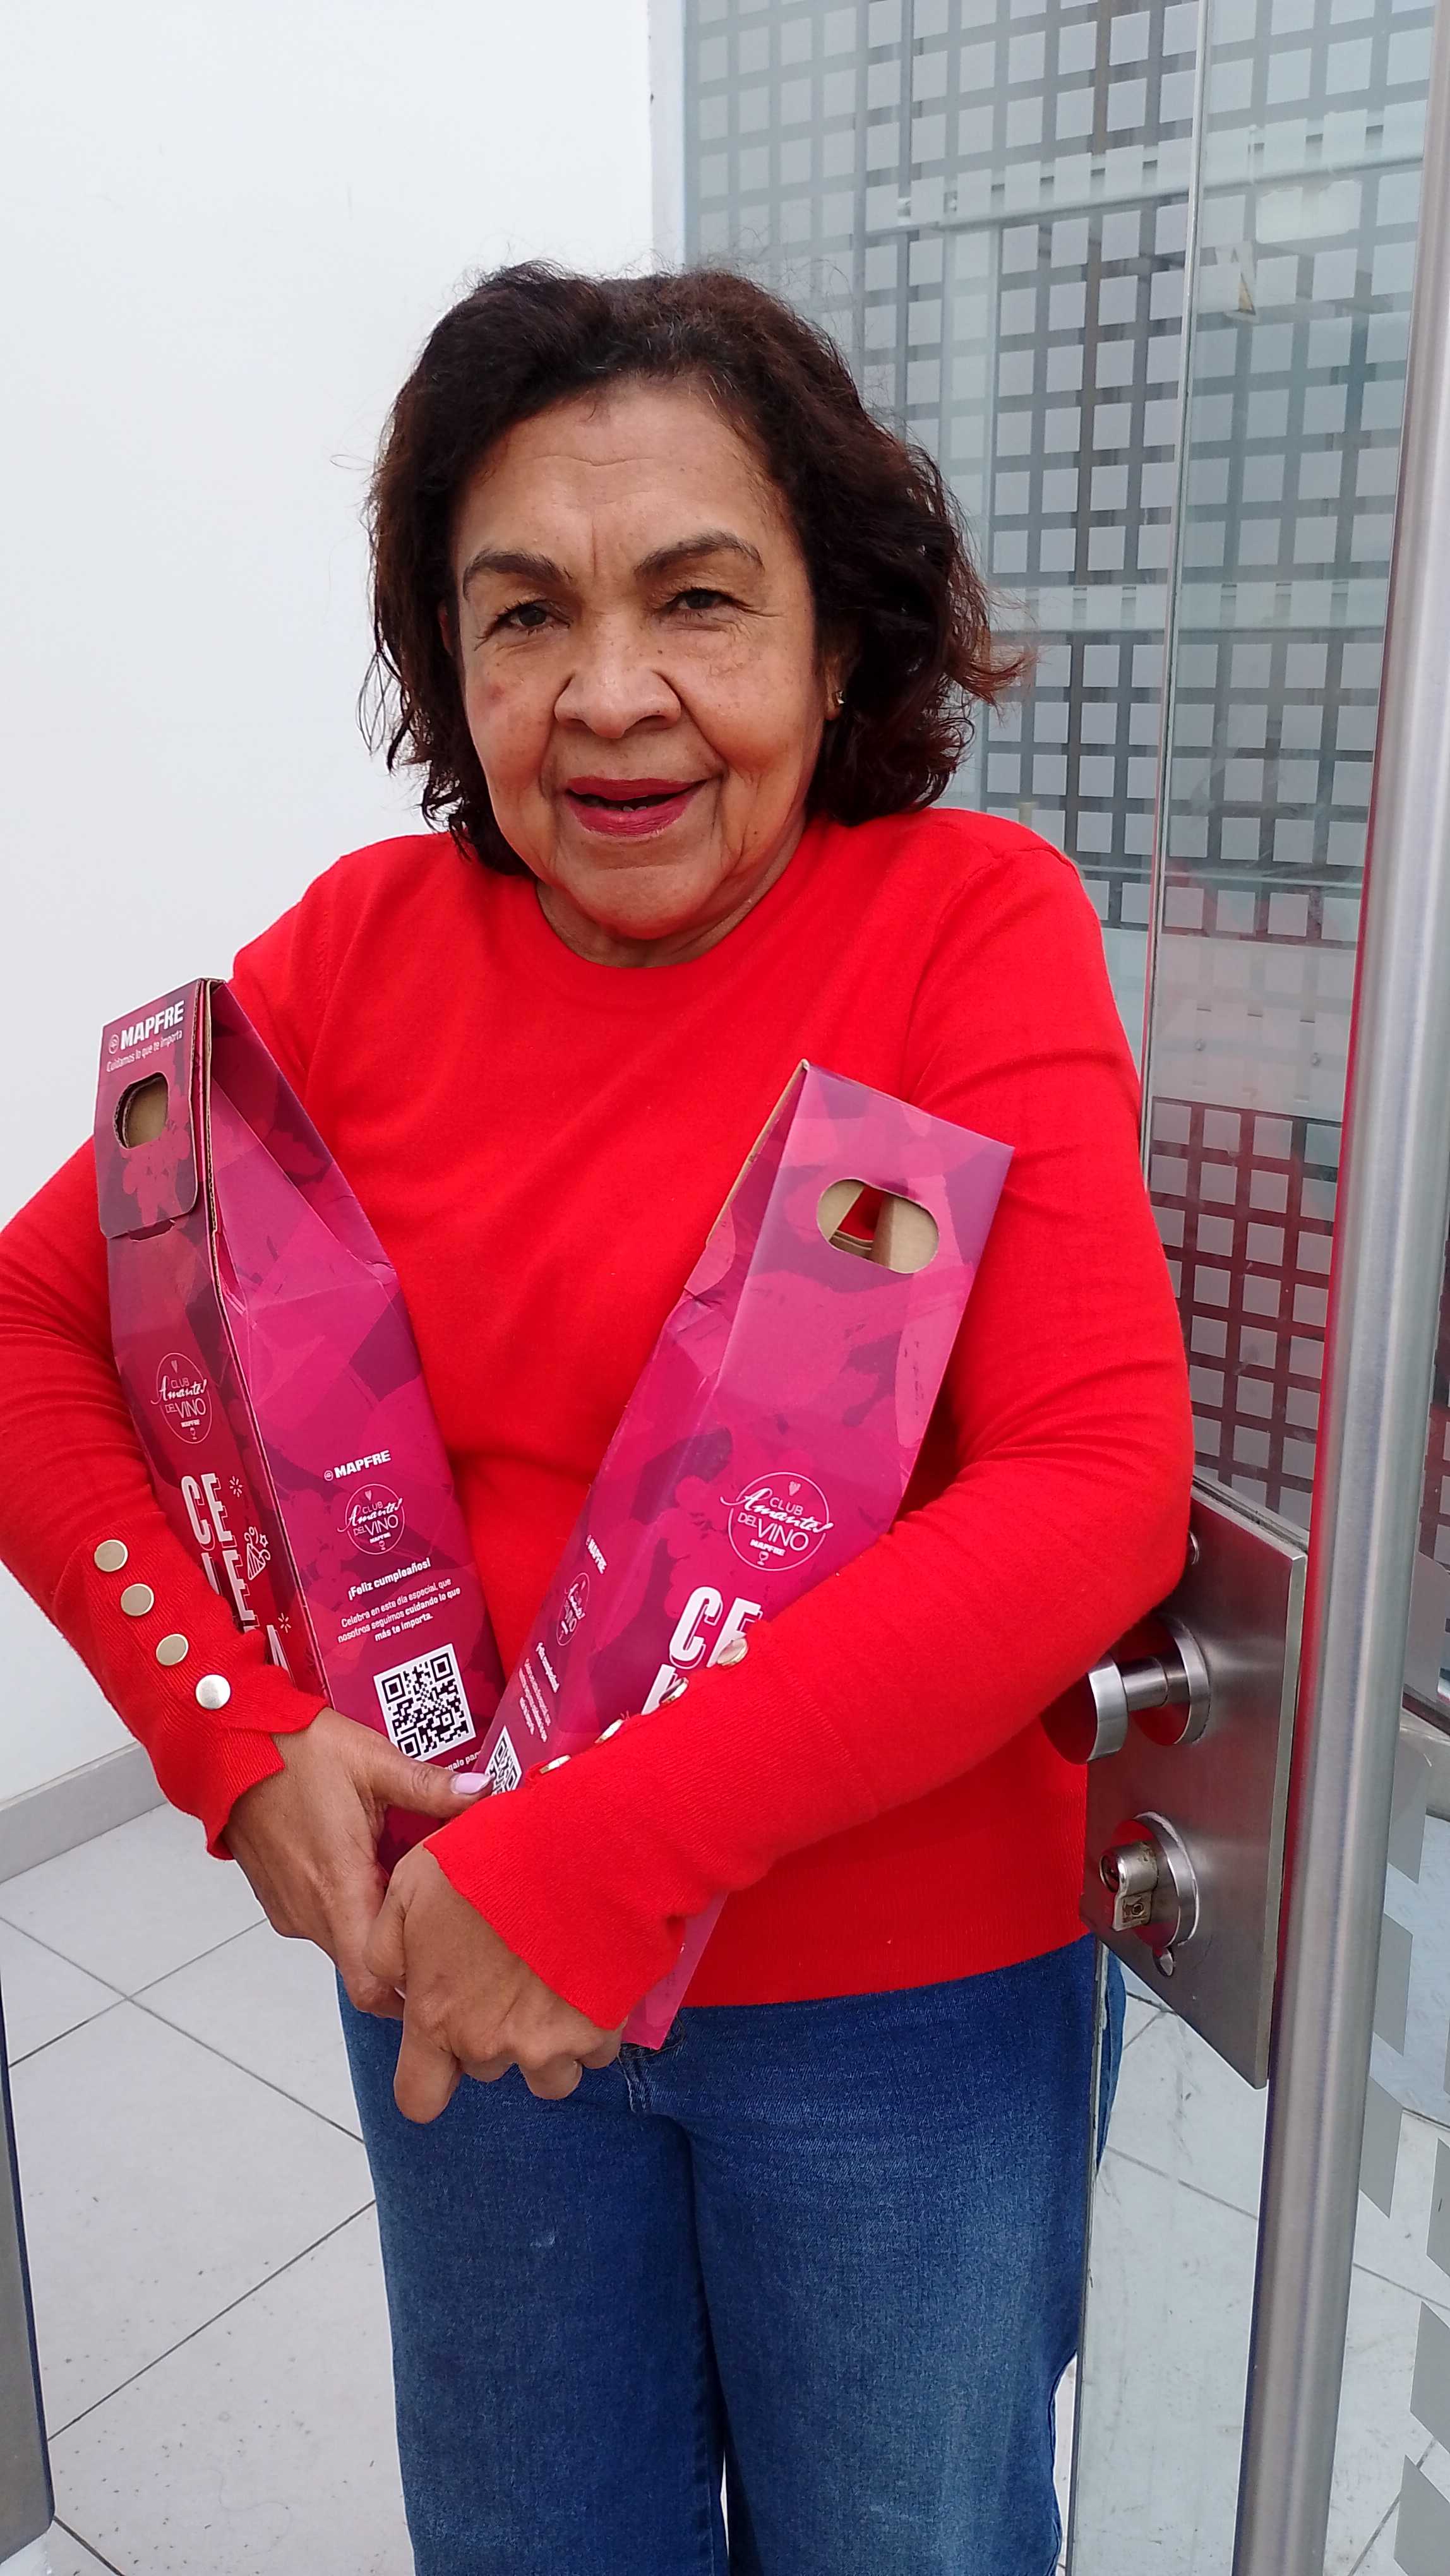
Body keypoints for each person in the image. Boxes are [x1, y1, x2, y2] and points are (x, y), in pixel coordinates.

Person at [0, 265, 1192, 2575]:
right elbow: (28, 1323)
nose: (611, 692)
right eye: (525, 613)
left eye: (698, 600)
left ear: (834, 645)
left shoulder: (967, 923)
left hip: (896, 2007)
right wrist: (230, 1738)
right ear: (450, 663)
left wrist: (594, 1862)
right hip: (463, 1953)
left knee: (904, 2542)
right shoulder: (363, 952)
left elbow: (1092, 1491)